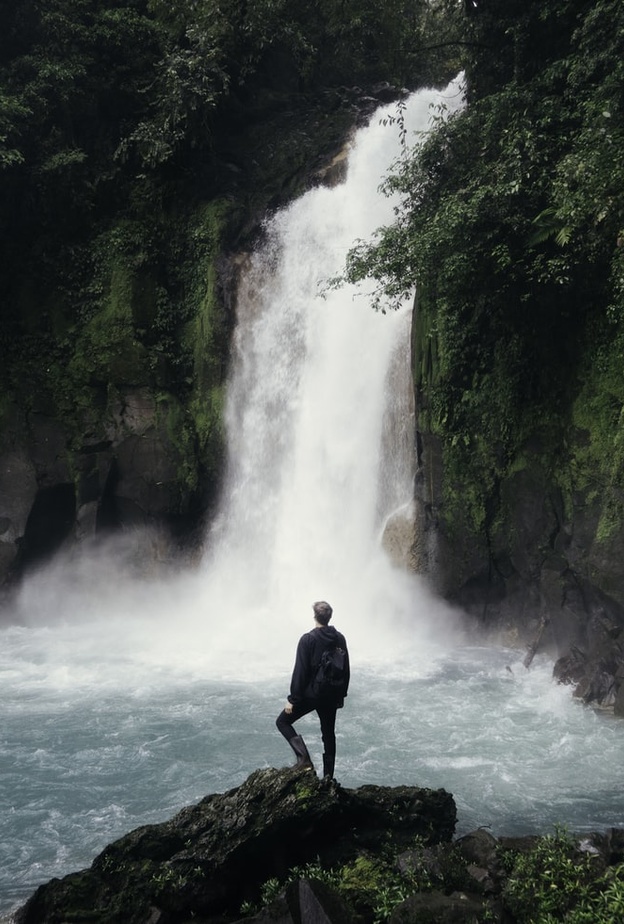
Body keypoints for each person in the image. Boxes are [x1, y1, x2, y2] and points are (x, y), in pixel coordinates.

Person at [276, 600, 350, 780]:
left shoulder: (308, 639)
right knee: (328, 734)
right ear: (329, 617)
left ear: (314, 616)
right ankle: (328, 778)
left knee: (283, 722)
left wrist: (293, 699)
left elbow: (300, 671)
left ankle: (304, 760)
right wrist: (342, 694)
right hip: (331, 694)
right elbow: (346, 668)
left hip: (312, 695)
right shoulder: (339, 638)